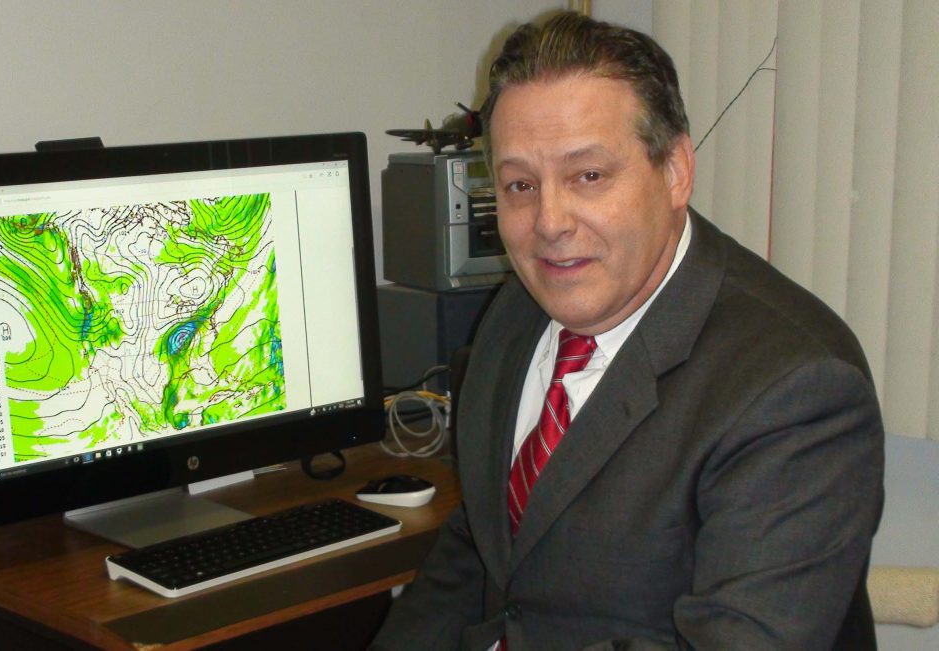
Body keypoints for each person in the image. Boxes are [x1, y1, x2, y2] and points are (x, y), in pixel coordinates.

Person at [371, 11, 884, 651]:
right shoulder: (521, 313)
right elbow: (483, 546)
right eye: (520, 185)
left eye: (588, 175)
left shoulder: (795, 388)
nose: (549, 222)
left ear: (674, 171)